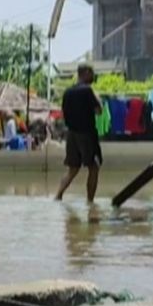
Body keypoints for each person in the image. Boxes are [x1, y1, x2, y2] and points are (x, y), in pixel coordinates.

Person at [55, 64, 103, 203]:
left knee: (73, 169)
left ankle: (58, 195)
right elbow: (99, 111)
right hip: (86, 133)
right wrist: (97, 97)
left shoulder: (68, 92)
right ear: (86, 73)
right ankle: (90, 202)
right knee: (93, 167)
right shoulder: (87, 91)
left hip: (72, 134)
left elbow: (64, 114)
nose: (93, 76)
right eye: (92, 73)